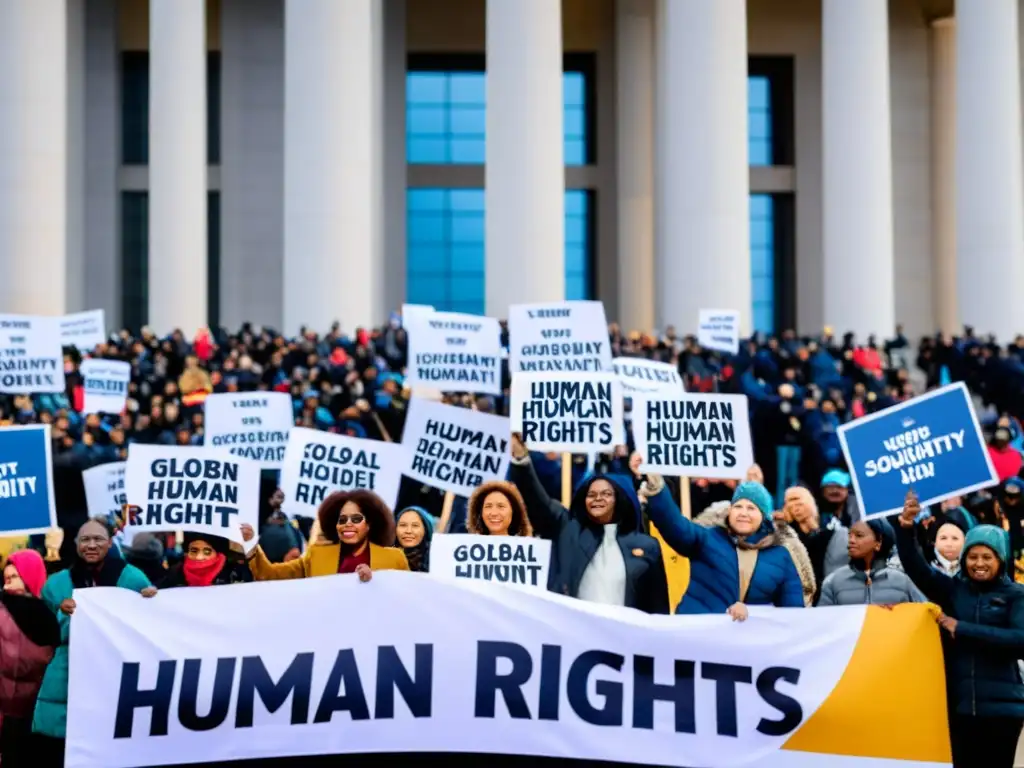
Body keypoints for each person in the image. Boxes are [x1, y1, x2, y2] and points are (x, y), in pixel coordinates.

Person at [897, 490, 1024, 768]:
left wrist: (962, 628)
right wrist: (906, 527)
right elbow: (917, 569)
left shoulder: (1017, 595)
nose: (979, 564)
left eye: (987, 557)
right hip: (961, 711)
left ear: (1001, 559)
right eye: (973, 556)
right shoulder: (954, 590)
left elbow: (1019, 640)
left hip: (1004, 712)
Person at [32, 518, 155, 764]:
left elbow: (150, 630)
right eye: (85, 539)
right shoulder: (55, 585)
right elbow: (41, 633)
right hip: (64, 684)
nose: (91, 544)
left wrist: (151, 601)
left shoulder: (133, 580)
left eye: (98, 539)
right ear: (76, 543)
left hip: (115, 681)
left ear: (110, 543)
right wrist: (61, 615)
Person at [508, 435, 669, 613]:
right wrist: (521, 459)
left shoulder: (647, 546)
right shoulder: (567, 529)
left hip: (623, 638)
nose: (597, 498)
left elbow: (658, 611)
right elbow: (536, 499)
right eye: (591, 495)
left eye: (606, 494)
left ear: (620, 499)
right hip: (573, 636)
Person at [636, 454, 805, 618]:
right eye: (738, 506)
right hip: (697, 635)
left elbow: (791, 616)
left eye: (751, 508)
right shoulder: (708, 538)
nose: (743, 513)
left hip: (746, 642)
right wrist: (657, 489)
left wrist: (752, 614)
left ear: (764, 518)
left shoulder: (781, 557)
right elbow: (674, 524)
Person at [241, 489, 409, 581]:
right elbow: (268, 575)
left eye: (356, 519)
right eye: (342, 519)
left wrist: (375, 581)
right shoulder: (316, 556)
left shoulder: (395, 559)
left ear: (370, 524)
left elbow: (408, 603)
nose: (348, 524)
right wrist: (250, 544)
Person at [0, 550, 59, 767]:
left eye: (14, 577)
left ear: (29, 576)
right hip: (25, 717)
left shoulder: (53, 613)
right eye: (6, 579)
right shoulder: (50, 617)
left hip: (30, 717)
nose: (8, 585)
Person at [818, 519, 923, 606]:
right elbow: (823, 623)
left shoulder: (902, 581)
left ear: (879, 542)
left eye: (859, 535)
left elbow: (927, 614)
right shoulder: (833, 581)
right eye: (850, 535)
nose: (851, 541)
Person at [778, 485, 847, 603]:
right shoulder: (784, 534)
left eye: (799, 504)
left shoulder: (828, 533)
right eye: (791, 506)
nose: (796, 509)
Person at [159, 533, 253, 588]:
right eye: (194, 551)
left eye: (207, 552)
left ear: (218, 553)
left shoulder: (236, 573)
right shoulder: (175, 573)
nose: (199, 557)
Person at [467, 481, 533, 538]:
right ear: (480, 513)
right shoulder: (468, 547)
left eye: (501, 506)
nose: (494, 513)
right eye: (488, 506)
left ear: (513, 511)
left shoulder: (528, 547)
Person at [394, 506, 435, 573]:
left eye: (415, 525)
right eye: (403, 525)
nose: (408, 531)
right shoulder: (387, 557)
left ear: (426, 530)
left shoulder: (436, 561)